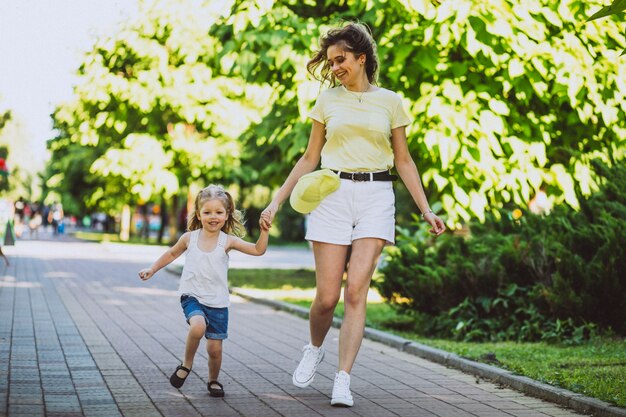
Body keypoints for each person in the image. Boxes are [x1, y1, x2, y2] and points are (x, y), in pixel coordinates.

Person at [260, 22, 446, 407]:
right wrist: (277, 200)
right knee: (327, 298)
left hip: (377, 196)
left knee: (357, 290)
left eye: (341, 59)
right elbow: (310, 157)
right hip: (332, 194)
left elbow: (404, 160)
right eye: (330, 62)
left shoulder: (391, 101)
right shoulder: (328, 101)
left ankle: (343, 379)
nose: (335, 67)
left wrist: (426, 209)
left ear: (362, 58)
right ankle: (315, 348)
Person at [139, 185, 269, 397]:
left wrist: (264, 231)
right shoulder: (189, 238)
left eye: (219, 212)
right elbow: (172, 254)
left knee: (214, 350)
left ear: (227, 215)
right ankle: (186, 365)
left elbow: (257, 250)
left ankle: (213, 380)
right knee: (197, 326)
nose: (213, 217)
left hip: (218, 302)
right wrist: (152, 269)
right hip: (192, 295)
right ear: (199, 214)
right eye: (207, 212)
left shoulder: (227, 241)